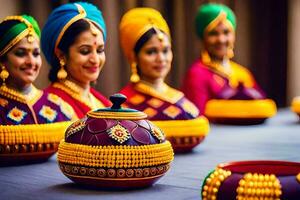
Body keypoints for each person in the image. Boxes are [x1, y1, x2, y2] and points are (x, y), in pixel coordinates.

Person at [119, 8, 209, 152]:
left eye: (165, 50)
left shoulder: (180, 99)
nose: (161, 59)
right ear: (134, 57)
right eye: (151, 52)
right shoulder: (125, 105)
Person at [181, 3, 276, 124]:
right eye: (213, 33)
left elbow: (262, 105)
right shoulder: (196, 74)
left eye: (226, 32)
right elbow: (196, 119)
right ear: (203, 37)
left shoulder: (242, 73)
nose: (221, 40)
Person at [0, 15, 75, 125]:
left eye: (36, 54)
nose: (31, 62)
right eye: (21, 53)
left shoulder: (59, 107)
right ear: (2, 60)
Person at [41, 2, 111, 119]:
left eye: (100, 50)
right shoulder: (49, 106)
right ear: (61, 55)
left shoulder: (103, 103)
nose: (95, 59)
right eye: (85, 51)